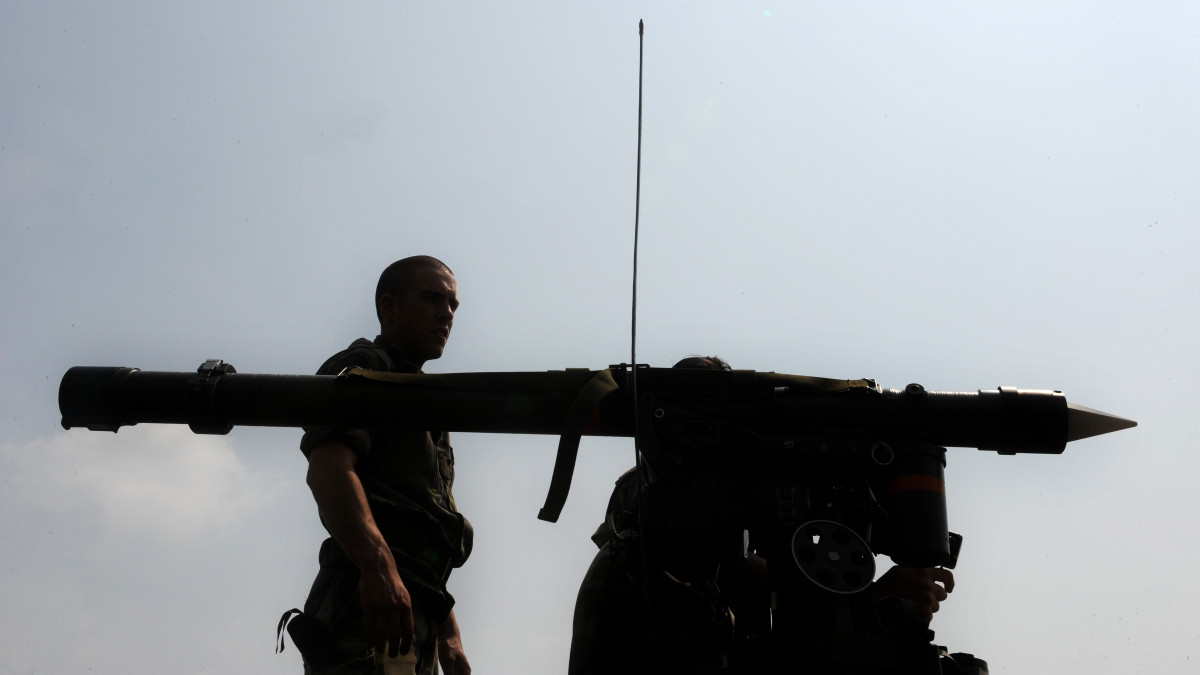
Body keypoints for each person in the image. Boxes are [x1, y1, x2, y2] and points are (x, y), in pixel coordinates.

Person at [568, 356, 954, 674]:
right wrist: (872, 601)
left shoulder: (693, 556)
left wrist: (871, 599)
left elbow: (755, 576)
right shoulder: (647, 545)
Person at [285, 256, 472, 675]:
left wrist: (448, 635)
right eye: (431, 299)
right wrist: (378, 569)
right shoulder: (367, 368)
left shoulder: (423, 402)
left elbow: (422, 527)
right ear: (389, 307)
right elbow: (328, 469)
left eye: (453, 305)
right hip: (367, 606)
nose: (446, 314)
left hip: (411, 610)